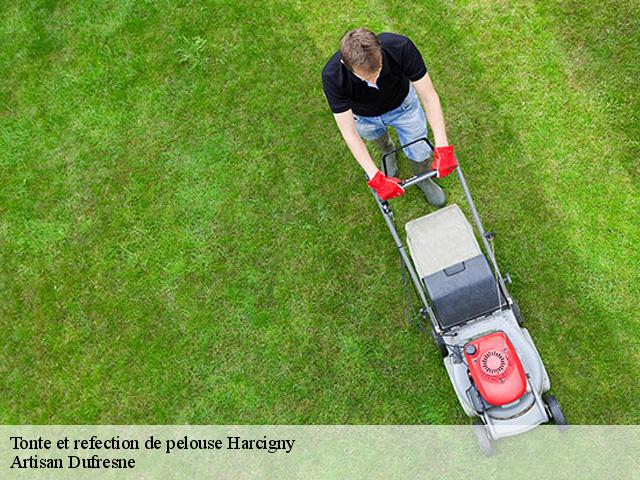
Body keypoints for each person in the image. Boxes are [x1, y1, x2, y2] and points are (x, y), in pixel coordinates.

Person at [321, 28, 458, 205]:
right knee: (376, 138)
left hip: (404, 107)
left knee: (420, 150)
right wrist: (374, 176)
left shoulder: (401, 47)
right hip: (364, 117)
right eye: (366, 78)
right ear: (345, 64)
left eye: (377, 71)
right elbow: (349, 132)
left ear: (380, 48)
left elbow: (429, 96)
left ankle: (423, 179)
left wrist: (442, 145)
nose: (373, 81)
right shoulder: (332, 76)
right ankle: (388, 151)